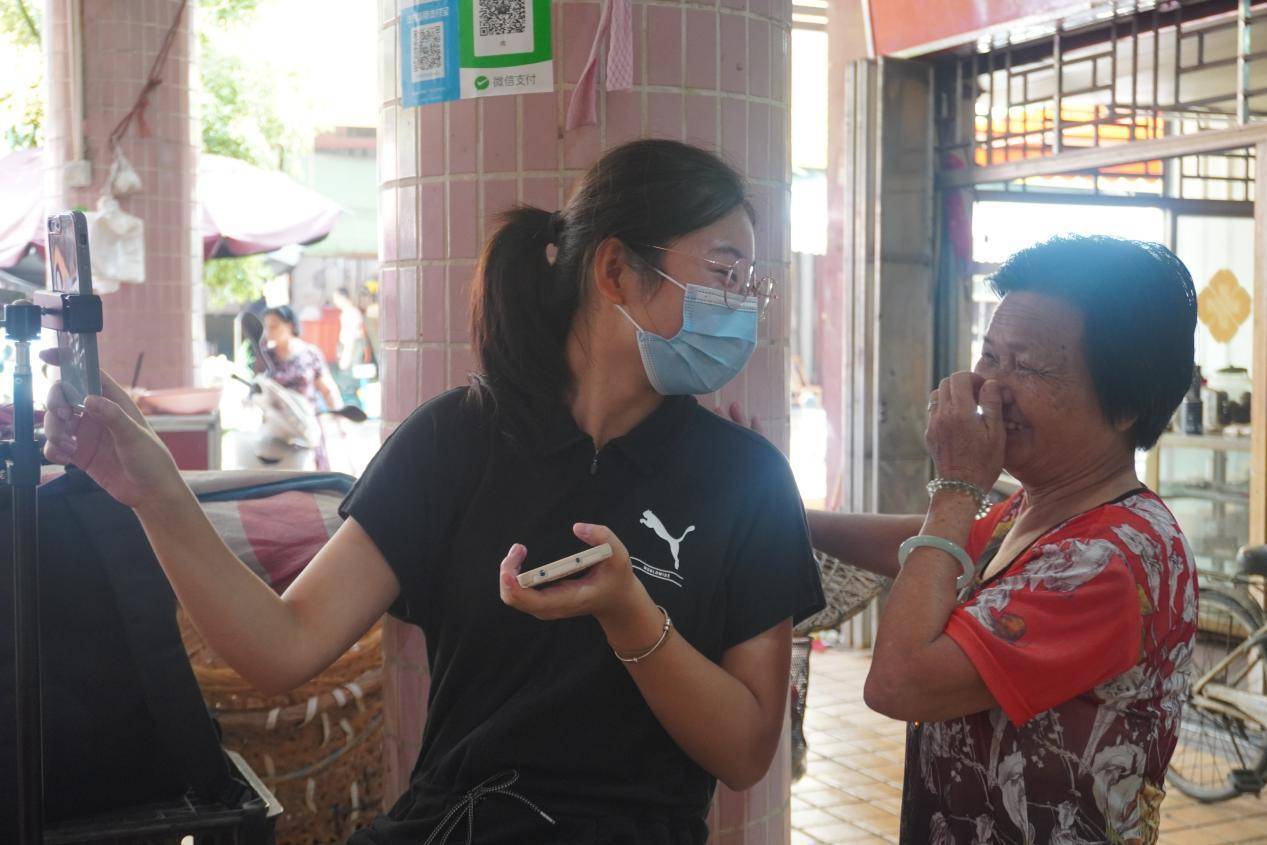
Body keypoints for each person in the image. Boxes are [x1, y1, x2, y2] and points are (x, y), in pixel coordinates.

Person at [41, 139, 824, 845]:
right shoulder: (456, 439)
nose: (745, 306)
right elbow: (281, 646)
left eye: (752, 282)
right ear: (615, 269)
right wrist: (155, 491)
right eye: (725, 272)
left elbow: (745, 750)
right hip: (454, 823)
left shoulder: (745, 478)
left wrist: (630, 615)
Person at [804, 235, 1198, 844]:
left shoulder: (1107, 559)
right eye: (989, 355)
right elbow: (950, 550)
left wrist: (958, 483)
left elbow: (897, 682)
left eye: (1029, 366)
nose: (990, 387)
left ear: (1126, 405)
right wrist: (793, 518)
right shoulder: (1049, 503)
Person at [262, 304, 342, 412]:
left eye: (274, 326)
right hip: (276, 423)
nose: (269, 332)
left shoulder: (310, 354)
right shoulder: (264, 357)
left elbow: (328, 391)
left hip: (306, 422)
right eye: (267, 327)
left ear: (290, 326)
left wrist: (339, 419)